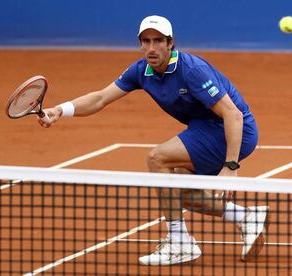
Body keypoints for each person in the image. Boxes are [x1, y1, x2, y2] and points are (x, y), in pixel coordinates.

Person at [38, 15, 269, 266]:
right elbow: (100, 98)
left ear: (170, 43)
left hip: (232, 129)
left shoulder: (191, 70)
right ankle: (245, 217)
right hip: (205, 127)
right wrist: (59, 110)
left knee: (157, 158)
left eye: (158, 41)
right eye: (146, 41)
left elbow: (232, 114)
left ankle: (180, 242)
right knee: (174, 187)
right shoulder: (141, 71)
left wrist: (230, 167)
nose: (151, 48)